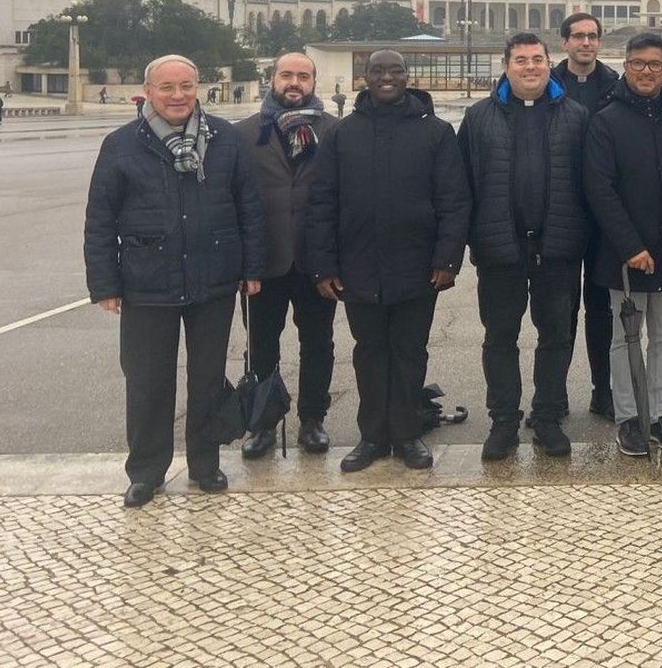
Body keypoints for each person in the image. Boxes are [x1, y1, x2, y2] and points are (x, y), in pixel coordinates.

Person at [83, 54, 265, 507]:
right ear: (148, 92)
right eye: (167, 87)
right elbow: (100, 219)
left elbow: (249, 207)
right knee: (147, 381)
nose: (179, 95)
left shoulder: (225, 138)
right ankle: (146, 470)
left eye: (186, 86)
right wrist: (105, 283)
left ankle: (205, 465)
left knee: (206, 379)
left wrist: (252, 268)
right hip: (147, 281)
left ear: (198, 87)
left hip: (214, 277)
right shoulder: (122, 144)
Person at [307, 49, 470, 473]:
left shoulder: (434, 132)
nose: (386, 78)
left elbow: (454, 201)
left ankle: (406, 432)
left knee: (410, 351)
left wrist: (447, 259)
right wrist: (324, 266)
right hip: (358, 265)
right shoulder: (342, 134)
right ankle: (373, 436)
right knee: (370, 351)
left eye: (394, 71)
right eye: (377, 71)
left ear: (406, 76)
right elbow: (322, 203)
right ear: (365, 77)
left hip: (418, 266)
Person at [459, 32, 591, 461]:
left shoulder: (576, 115)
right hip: (501, 249)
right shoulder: (478, 117)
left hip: (557, 248)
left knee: (556, 335)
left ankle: (548, 418)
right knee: (500, 337)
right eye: (521, 60)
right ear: (506, 66)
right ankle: (503, 423)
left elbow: (589, 185)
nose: (530, 67)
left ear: (549, 63)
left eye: (537, 59)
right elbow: (463, 186)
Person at [583, 33, 662, 457]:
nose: (646, 72)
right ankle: (628, 417)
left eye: (654, 65)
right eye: (638, 64)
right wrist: (630, 245)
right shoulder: (606, 120)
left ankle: (659, 414)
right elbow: (599, 189)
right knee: (625, 338)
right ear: (625, 65)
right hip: (625, 256)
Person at [233, 51, 339, 458]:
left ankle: (313, 420)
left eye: (303, 76)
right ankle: (261, 423)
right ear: (272, 79)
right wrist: (244, 263)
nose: (294, 82)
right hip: (264, 261)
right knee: (262, 345)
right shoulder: (243, 135)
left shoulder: (334, 132)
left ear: (314, 82)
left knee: (318, 343)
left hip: (316, 262)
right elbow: (235, 202)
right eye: (286, 75)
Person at [552, 11, 622, 422]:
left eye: (592, 36)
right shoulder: (547, 83)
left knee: (602, 311)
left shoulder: (614, 85)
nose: (586, 43)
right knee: (560, 311)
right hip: (560, 212)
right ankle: (554, 395)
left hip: (602, 220)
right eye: (578, 36)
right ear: (565, 42)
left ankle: (603, 391)